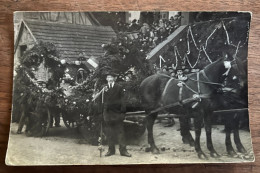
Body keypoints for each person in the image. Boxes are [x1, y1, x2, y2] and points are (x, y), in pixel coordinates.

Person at [103, 71, 131, 157]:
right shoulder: (104, 88)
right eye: (108, 77)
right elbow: (103, 101)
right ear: (106, 79)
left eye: (111, 77)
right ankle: (111, 150)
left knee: (120, 132)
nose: (110, 79)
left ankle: (123, 151)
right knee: (109, 133)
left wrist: (123, 113)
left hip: (117, 113)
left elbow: (123, 101)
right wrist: (104, 112)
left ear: (114, 78)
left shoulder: (119, 87)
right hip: (108, 114)